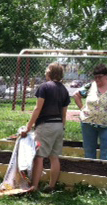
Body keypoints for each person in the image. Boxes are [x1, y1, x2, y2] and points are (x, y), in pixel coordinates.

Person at [21, 62, 70, 192]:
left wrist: (28, 126)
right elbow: (64, 114)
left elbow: (38, 108)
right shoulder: (64, 90)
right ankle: (52, 186)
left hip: (45, 125)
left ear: (49, 73)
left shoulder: (45, 87)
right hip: (59, 125)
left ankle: (34, 186)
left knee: (39, 156)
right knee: (54, 157)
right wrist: (62, 128)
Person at [73, 63, 107, 160]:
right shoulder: (90, 86)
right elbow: (76, 95)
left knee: (106, 153)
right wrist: (82, 109)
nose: (97, 79)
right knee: (89, 152)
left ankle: (103, 173)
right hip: (88, 123)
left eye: (100, 77)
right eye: (95, 77)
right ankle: (91, 173)